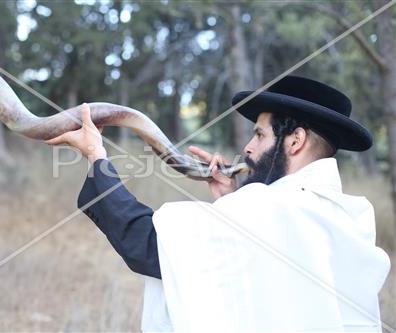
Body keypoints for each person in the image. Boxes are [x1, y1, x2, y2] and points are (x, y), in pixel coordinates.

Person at [45, 76, 390, 332]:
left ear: (295, 141)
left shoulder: (275, 209)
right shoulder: (344, 216)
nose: (249, 148)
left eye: (259, 134)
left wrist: (96, 158)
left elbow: (146, 245)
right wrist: (230, 202)